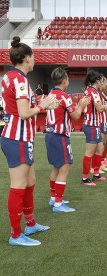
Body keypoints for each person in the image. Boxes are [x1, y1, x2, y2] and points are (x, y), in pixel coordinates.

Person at [1, 36, 60, 246]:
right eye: (33, 57)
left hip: (18, 137)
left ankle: (30, 224)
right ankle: (16, 235)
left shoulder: (10, 76)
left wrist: (39, 103)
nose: (34, 60)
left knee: (30, 181)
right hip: (17, 138)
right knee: (18, 185)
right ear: (26, 59)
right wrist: (43, 105)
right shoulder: (20, 80)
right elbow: (24, 113)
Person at [45, 67, 90, 213]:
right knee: (64, 167)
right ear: (64, 80)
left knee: (56, 167)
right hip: (60, 136)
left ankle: (54, 198)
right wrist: (82, 105)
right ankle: (58, 203)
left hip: (50, 135)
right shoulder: (64, 96)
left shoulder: (50, 94)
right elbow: (75, 116)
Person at [81, 70, 107, 186]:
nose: (102, 83)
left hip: (94, 124)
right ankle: (85, 178)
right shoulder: (93, 92)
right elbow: (99, 109)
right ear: (97, 81)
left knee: (99, 149)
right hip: (91, 125)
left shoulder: (90, 91)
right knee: (89, 152)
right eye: (101, 80)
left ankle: (96, 174)